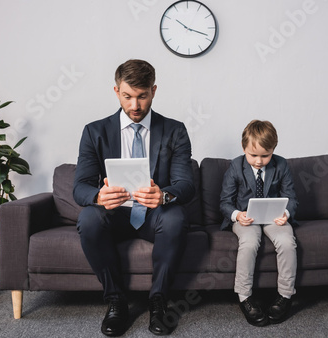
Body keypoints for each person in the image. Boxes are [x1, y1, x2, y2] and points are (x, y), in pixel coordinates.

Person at [73, 59, 195, 336]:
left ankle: (159, 300)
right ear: (116, 91)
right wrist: (98, 196)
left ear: (153, 91)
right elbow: (79, 187)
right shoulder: (95, 132)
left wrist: (164, 195)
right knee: (89, 218)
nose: (135, 106)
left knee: (176, 217)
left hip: (155, 215)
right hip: (114, 214)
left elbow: (186, 185)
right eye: (127, 97)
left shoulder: (175, 131)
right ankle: (116, 301)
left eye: (142, 96)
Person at [219, 120, 298, 326]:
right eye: (253, 155)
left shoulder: (281, 164)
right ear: (244, 148)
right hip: (247, 220)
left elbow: (291, 197)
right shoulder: (235, 166)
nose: (259, 161)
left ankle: (285, 296)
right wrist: (237, 215)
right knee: (250, 243)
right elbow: (225, 202)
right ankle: (244, 297)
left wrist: (286, 214)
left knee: (287, 243)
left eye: (265, 155)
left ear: (274, 149)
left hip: (274, 217)